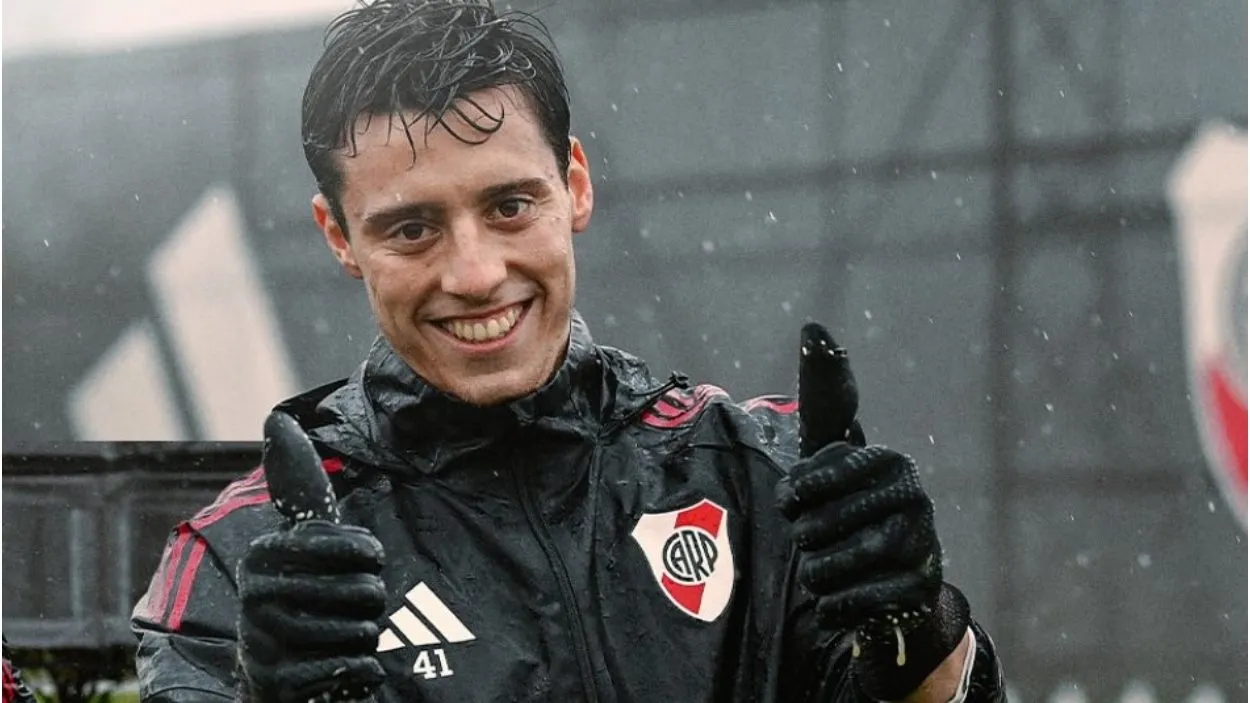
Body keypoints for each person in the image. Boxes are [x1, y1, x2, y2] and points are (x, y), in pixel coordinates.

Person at [131, 1, 1007, 700]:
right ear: (340, 237)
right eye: (412, 228)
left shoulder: (762, 475)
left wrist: (921, 634)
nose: (476, 273)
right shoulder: (242, 558)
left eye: (509, 206)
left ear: (574, 186)